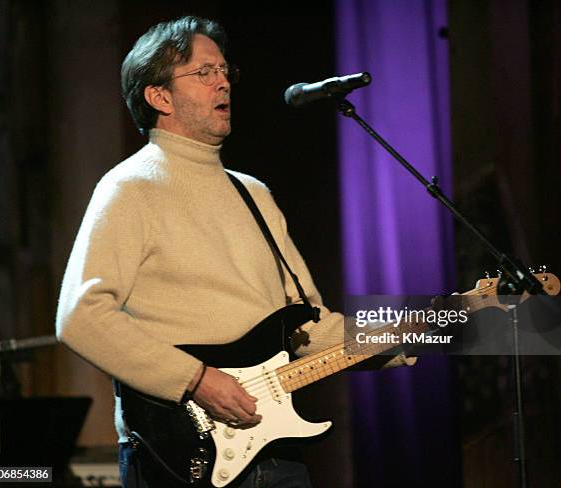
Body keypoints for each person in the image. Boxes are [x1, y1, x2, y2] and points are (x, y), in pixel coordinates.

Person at [55, 15, 414, 488]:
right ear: (159, 96)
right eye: (204, 73)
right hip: (181, 455)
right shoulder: (128, 188)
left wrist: (414, 335)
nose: (223, 81)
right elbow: (80, 317)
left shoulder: (254, 194)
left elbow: (309, 325)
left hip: (278, 453)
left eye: (225, 70)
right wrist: (197, 380)